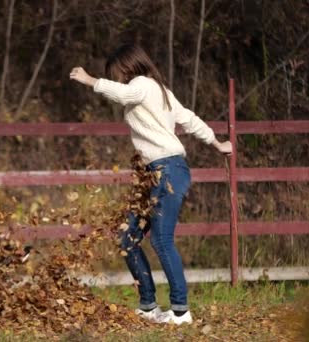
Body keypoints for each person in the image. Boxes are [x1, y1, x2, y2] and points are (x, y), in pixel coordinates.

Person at [69, 44, 232, 325]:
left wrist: (91, 80)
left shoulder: (142, 84)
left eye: (116, 72)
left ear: (127, 66)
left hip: (167, 170)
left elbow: (125, 93)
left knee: (160, 239)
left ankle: (181, 310)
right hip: (152, 174)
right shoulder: (160, 91)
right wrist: (216, 142)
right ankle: (148, 305)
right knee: (128, 238)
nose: (117, 78)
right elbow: (189, 118)